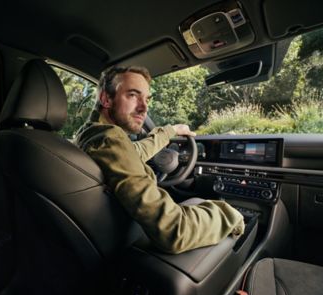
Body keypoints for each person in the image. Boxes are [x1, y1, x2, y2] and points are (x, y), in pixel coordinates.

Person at [75, 65, 245, 254]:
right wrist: (230, 214)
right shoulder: (109, 139)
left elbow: (133, 151)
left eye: (147, 99)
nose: (144, 107)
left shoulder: (89, 135)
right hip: (127, 247)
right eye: (133, 95)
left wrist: (170, 131)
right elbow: (174, 231)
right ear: (106, 99)